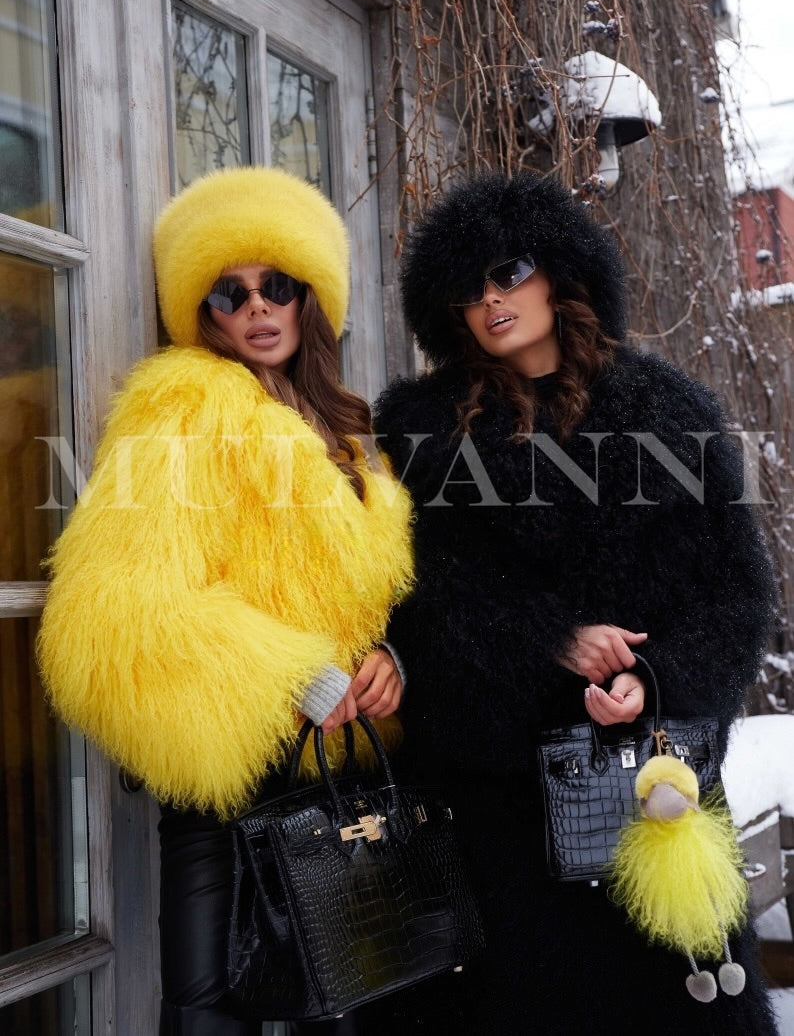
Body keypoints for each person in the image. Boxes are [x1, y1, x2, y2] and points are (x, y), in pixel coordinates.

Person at [362, 171, 779, 1035]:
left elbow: (736, 593)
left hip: (643, 792)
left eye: (507, 272)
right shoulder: (420, 435)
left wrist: (652, 680)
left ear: (558, 273)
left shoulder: (668, 413)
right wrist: (547, 637)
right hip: (494, 808)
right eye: (467, 289)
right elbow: (410, 602)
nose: (490, 300)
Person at [36, 166, 414, 1035]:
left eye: (276, 284)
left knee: (348, 1010)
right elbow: (112, 613)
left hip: (342, 784)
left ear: (308, 296)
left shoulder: (350, 438)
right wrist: (294, 675)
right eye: (227, 292)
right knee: (216, 1022)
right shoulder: (181, 412)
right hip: (231, 802)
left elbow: (380, 599)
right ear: (201, 312)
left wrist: (390, 660)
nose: (256, 306)